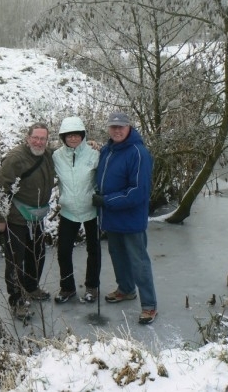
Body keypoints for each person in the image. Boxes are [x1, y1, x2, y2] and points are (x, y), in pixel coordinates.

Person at [91, 112, 158, 324]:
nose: (117, 130)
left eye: (121, 127)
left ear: (129, 127)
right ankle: (126, 289)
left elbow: (138, 191)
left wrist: (107, 200)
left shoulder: (138, 153)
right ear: (108, 129)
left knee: (138, 262)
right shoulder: (107, 150)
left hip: (130, 218)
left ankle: (149, 305)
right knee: (117, 256)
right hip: (111, 217)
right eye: (113, 127)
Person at [0, 122, 55, 320]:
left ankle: (31, 286)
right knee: (15, 260)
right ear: (27, 138)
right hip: (16, 217)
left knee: (37, 253)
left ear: (46, 140)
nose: (38, 141)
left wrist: (92, 144)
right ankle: (17, 300)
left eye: (42, 138)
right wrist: (0, 219)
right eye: (35, 137)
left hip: (36, 216)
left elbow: (69, 151)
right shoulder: (16, 158)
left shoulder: (46, 155)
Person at [52, 116, 100, 304]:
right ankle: (67, 288)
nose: (73, 139)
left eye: (77, 135)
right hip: (68, 210)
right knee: (63, 250)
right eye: (69, 135)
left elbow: (104, 176)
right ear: (63, 137)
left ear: (83, 135)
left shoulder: (94, 153)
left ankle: (92, 286)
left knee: (94, 250)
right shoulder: (56, 156)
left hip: (91, 209)